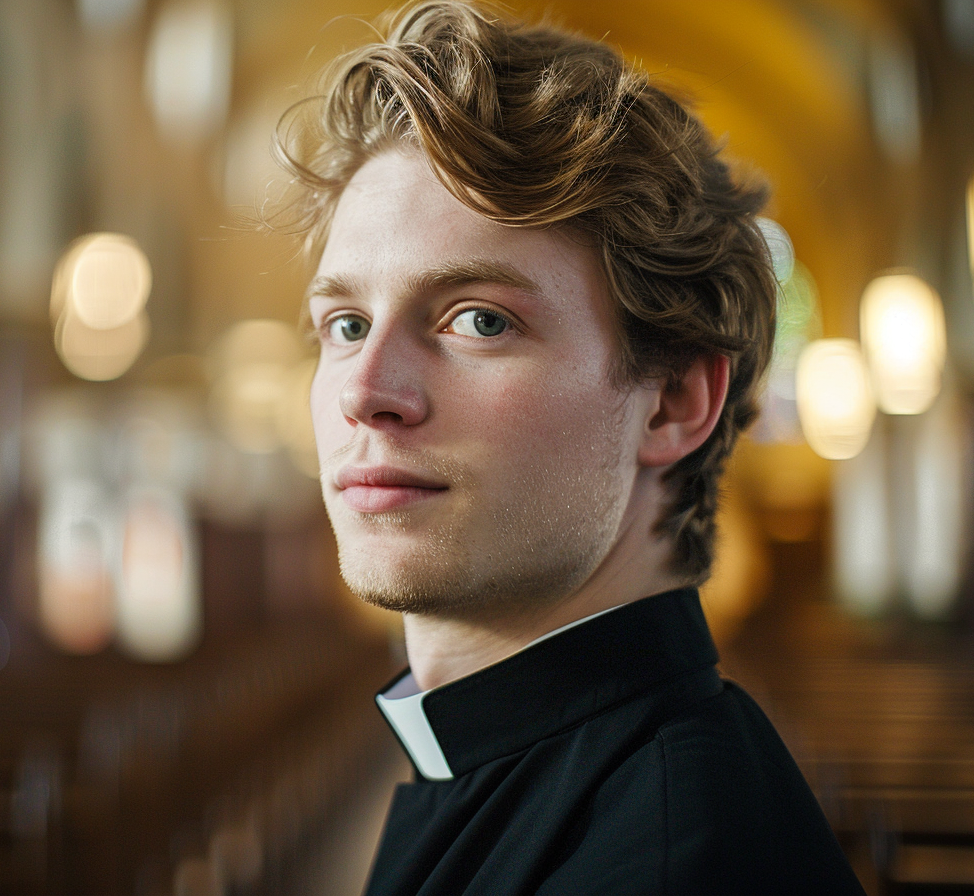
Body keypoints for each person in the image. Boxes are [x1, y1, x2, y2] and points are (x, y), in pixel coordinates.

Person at [277, 2, 866, 893]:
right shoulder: (507, 756)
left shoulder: (674, 861)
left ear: (672, 400)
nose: (365, 391)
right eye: (347, 323)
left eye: (479, 319)